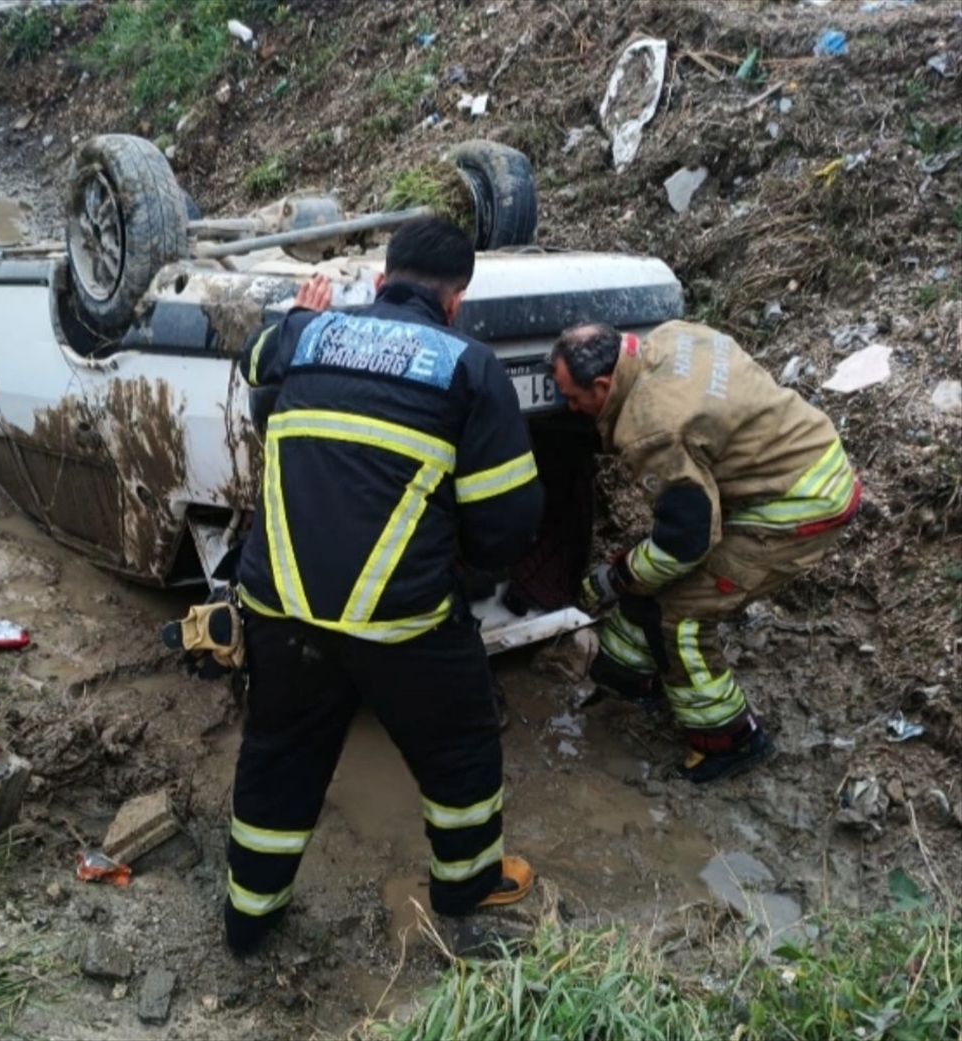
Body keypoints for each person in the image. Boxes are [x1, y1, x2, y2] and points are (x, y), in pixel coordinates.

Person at [224, 217, 544, 955]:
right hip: (400, 620)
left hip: (280, 604)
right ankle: (465, 892)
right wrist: (463, 569)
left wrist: (299, 314)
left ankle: (249, 915)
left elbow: (254, 358)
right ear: (456, 300)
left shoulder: (304, 336)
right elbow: (508, 521)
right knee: (460, 748)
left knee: (279, 752)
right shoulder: (469, 366)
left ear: (379, 279)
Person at [551, 320, 860, 784]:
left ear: (600, 385)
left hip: (797, 505)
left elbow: (685, 544)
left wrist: (615, 578)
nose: (571, 408)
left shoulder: (651, 429)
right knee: (653, 579)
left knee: (682, 614)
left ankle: (729, 741)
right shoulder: (671, 335)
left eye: (574, 398)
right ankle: (625, 676)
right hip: (803, 457)